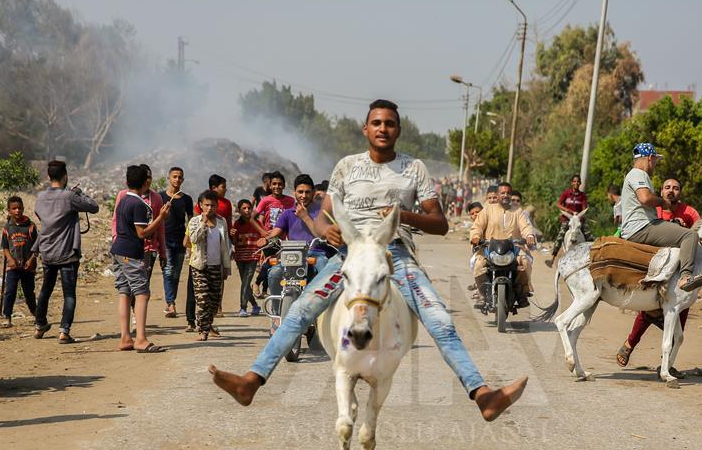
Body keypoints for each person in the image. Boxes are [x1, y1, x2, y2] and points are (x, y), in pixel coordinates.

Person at [209, 99, 527, 421]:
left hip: (395, 257)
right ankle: (251, 381)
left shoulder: (414, 168)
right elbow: (324, 216)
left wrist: (404, 215)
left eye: (389, 123)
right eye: (377, 123)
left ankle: (482, 394)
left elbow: (440, 224)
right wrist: (324, 231)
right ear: (366, 129)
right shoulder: (347, 167)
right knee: (299, 310)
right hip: (350, 256)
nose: (383, 129)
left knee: (440, 320)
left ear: (398, 130)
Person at [616, 178, 699, 369]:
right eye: (667, 188)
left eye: (676, 188)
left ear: (680, 192)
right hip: (656, 267)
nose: (671, 191)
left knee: (681, 314)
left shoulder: (689, 212)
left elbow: (699, 231)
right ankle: (630, 344)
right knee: (648, 311)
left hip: (678, 272)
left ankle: (667, 363)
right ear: (660, 192)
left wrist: (684, 228)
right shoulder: (654, 211)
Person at [618, 143, 702, 290]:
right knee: (690, 236)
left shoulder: (634, 175)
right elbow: (645, 198)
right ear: (650, 158)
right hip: (641, 227)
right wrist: (663, 203)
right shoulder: (639, 173)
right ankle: (685, 277)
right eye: (655, 162)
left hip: (639, 227)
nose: (655, 166)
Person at [33, 160, 99, 343]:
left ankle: (39, 325)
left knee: (46, 290)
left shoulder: (41, 197)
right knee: (69, 293)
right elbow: (94, 206)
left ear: (48, 176)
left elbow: (40, 215)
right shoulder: (69, 197)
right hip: (67, 252)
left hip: (47, 250)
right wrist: (79, 193)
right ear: (65, 177)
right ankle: (64, 331)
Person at [112, 164, 171, 353]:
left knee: (124, 291)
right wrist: (161, 217)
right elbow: (142, 233)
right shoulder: (138, 204)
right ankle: (141, 339)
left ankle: (125, 338)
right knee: (142, 292)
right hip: (130, 252)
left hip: (118, 250)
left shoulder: (123, 199)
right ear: (146, 182)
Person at [264, 174, 333, 312]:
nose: (303, 195)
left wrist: (305, 217)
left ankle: (324, 311)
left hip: (316, 254)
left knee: (324, 269)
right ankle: (277, 314)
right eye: (300, 192)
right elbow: (275, 232)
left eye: (307, 192)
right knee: (274, 274)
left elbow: (321, 234)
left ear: (313, 193)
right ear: (294, 192)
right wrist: (265, 239)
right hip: (292, 256)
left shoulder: (321, 213)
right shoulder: (287, 213)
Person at [469, 184, 537, 308]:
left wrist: (529, 236)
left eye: (508, 193)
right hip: (490, 247)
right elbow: (477, 226)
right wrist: (475, 236)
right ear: (498, 195)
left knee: (525, 262)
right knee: (479, 264)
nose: (505, 195)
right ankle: (482, 294)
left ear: (511, 195)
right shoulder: (488, 209)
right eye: (502, 193)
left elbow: (526, 227)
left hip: (514, 248)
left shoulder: (518, 211)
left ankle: (521, 293)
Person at [185, 174, 233, 332]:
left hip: (216, 266)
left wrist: (226, 267)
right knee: (202, 299)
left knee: (213, 301)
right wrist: (203, 223)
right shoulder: (194, 222)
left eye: (212, 205)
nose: (209, 208)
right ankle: (202, 330)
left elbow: (225, 245)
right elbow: (194, 239)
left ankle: (208, 325)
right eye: (206, 205)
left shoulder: (221, 222)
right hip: (199, 266)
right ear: (200, 205)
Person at [0, 196, 38, 327]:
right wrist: (10, 259)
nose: (17, 211)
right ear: (9, 210)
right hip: (13, 266)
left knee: (29, 292)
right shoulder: (7, 228)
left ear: (23, 209)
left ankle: (36, 314)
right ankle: (7, 316)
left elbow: (37, 246)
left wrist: (32, 259)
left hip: (28, 266)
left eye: (19, 208)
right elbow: (5, 247)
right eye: (14, 208)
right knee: (10, 291)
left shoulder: (31, 226)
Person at [159, 166, 192, 318]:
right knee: (168, 270)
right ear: (169, 178)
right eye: (174, 176)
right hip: (165, 239)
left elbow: (191, 221)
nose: (177, 179)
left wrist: (191, 240)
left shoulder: (187, 199)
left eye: (180, 177)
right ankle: (170, 303)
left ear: (183, 180)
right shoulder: (160, 198)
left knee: (177, 273)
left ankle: (171, 301)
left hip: (180, 240)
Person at [231, 198, 266, 317]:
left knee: (246, 282)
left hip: (253, 256)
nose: (247, 210)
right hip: (240, 256)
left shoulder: (257, 223)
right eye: (244, 208)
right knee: (244, 282)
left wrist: (262, 252)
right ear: (239, 211)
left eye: (249, 208)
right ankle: (255, 305)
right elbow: (234, 242)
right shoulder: (236, 224)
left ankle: (243, 307)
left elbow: (263, 237)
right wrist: (232, 235)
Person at [548, 174, 588, 267]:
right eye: (574, 181)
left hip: (577, 218)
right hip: (567, 219)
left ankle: (589, 258)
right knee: (560, 235)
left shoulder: (582, 196)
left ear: (580, 183)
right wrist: (567, 210)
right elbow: (559, 204)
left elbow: (584, 208)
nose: (576, 183)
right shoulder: (566, 193)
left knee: (588, 235)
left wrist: (579, 215)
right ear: (571, 183)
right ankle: (552, 258)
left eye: (578, 181)